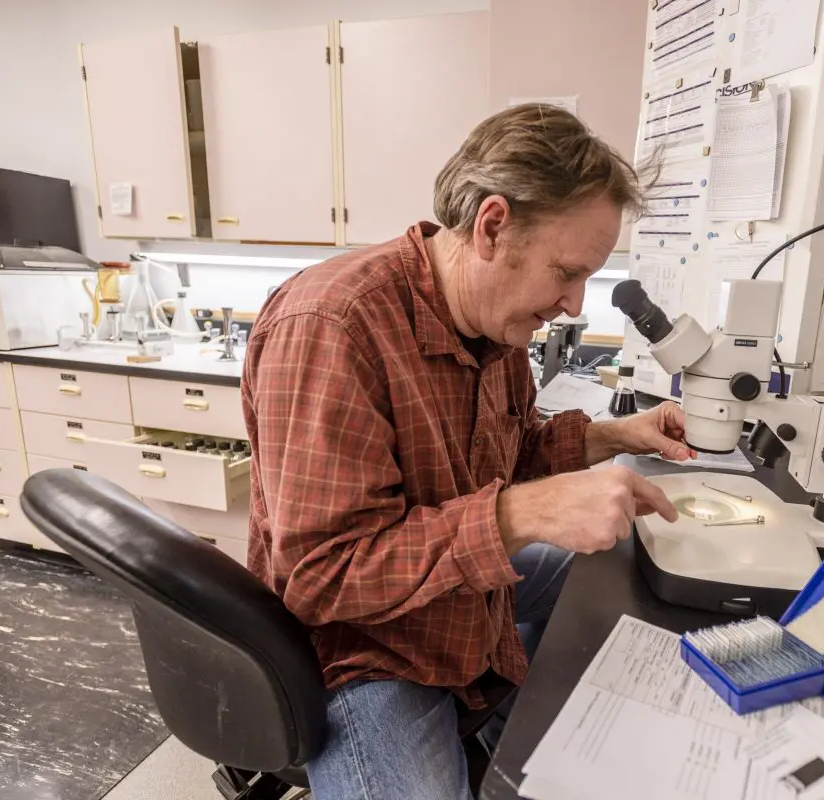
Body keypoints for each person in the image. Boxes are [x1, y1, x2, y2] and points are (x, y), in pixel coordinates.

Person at [242, 104, 694, 800]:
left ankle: (514, 714)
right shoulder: (335, 326)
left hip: (456, 602)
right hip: (364, 652)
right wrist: (519, 515)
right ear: (491, 226)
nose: (574, 305)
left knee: (613, 565)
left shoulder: (496, 327)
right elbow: (323, 577)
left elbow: (509, 462)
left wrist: (612, 438)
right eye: (566, 273)